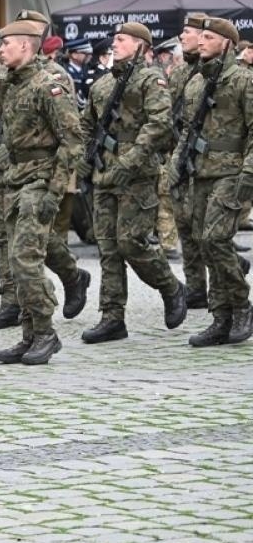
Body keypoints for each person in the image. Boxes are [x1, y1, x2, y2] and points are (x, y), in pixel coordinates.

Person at [76, 22, 188, 343]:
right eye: (114, 39)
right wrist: (83, 156)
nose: (115, 44)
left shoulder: (151, 79)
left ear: (140, 45)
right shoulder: (101, 85)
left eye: (122, 39)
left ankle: (170, 286)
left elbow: (159, 125)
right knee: (108, 247)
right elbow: (87, 126)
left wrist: (130, 161)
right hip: (105, 173)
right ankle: (112, 317)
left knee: (131, 242)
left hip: (136, 175)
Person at [0, 19, 85, 367]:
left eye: (6, 44)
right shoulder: (13, 82)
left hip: (39, 180)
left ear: (26, 46)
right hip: (14, 179)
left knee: (26, 259)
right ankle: (29, 334)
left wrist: (53, 192)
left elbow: (72, 140)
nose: (0, 50)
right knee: (16, 260)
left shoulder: (50, 84)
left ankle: (45, 333)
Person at [178, 17, 253, 346]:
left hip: (232, 171)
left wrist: (249, 173)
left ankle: (241, 304)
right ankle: (221, 317)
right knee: (203, 243)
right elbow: (187, 131)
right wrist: (175, 169)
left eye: (209, 37)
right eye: (201, 36)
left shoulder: (243, 81)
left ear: (226, 43)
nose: (201, 41)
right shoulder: (195, 83)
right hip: (200, 173)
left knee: (215, 240)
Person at [168, 14, 210, 307]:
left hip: (211, 159)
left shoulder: (214, 71)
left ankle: (226, 282)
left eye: (187, 32)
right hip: (181, 154)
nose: (182, 37)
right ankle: (196, 287)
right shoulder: (181, 72)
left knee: (208, 229)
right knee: (184, 224)